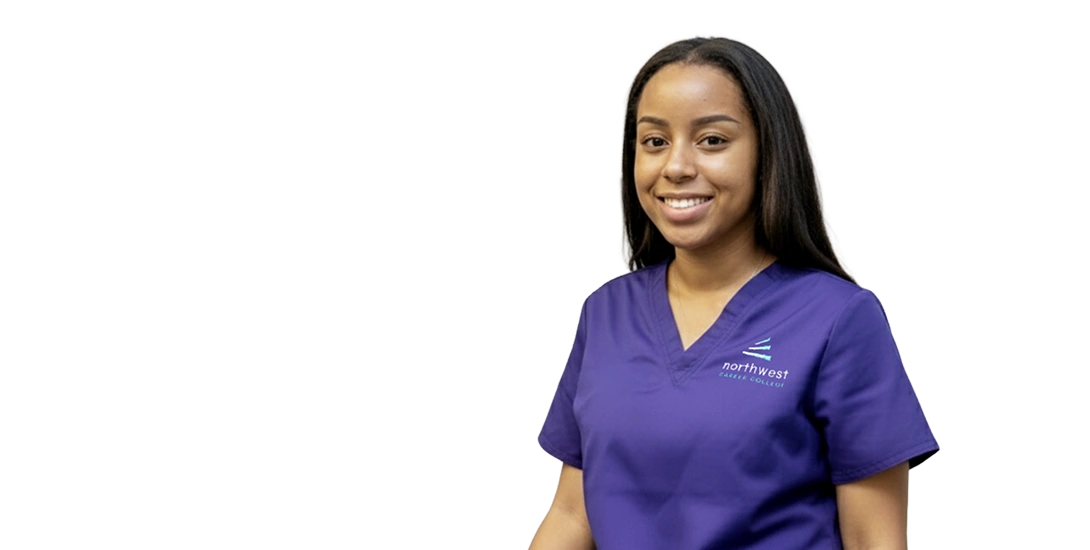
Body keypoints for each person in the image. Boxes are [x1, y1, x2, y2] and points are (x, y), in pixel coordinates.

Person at [532, 35, 938, 550]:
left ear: (767, 152)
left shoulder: (838, 319)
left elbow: (873, 539)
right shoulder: (607, 312)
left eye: (712, 141)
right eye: (654, 141)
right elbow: (573, 514)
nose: (675, 167)